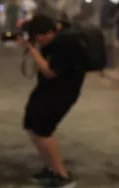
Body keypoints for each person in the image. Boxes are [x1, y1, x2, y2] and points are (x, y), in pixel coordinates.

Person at [19, 14, 84, 188]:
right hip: (47, 89)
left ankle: (62, 175)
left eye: (38, 37)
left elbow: (50, 72)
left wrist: (32, 50)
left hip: (61, 92)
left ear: (48, 33)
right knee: (31, 124)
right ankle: (51, 168)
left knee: (43, 130)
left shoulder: (64, 44)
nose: (37, 41)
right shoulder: (54, 41)